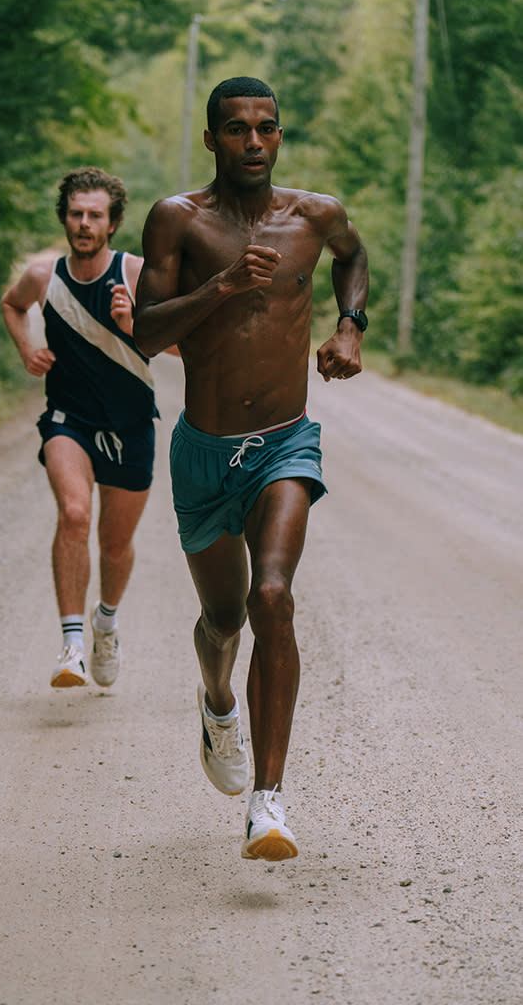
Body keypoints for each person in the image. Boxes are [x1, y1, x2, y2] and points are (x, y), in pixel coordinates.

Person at [133, 77, 369, 861]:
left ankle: (266, 805)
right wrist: (222, 286)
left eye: (266, 128)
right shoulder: (177, 220)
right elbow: (144, 333)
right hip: (204, 450)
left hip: (284, 441)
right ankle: (216, 701)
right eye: (236, 130)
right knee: (224, 620)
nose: (254, 143)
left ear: (279, 134)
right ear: (212, 140)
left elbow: (353, 258)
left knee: (273, 597)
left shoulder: (315, 215)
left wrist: (350, 329)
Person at [1, 166, 160, 690]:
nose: (85, 223)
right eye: (76, 214)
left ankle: (105, 623)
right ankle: (72, 647)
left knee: (115, 545)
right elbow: (12, 304)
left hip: (131, 423)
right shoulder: (44, 276)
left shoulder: (136, 273)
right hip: (69, 420)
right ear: (64, 218)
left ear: (112, 223)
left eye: (95, 215)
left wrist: (133, 325)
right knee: (73, 514)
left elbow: (183, 346)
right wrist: (28, 349)